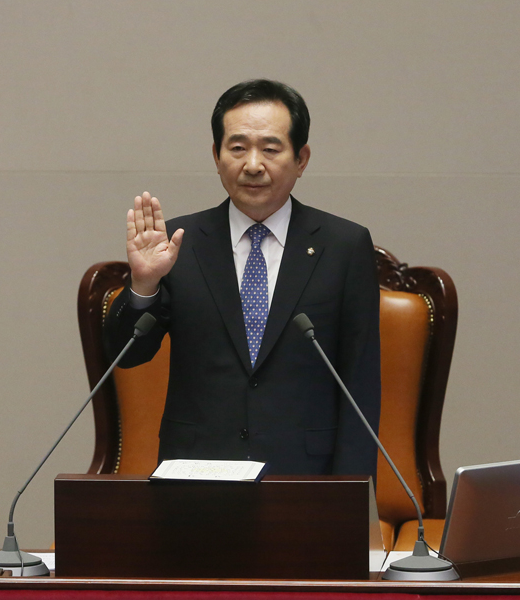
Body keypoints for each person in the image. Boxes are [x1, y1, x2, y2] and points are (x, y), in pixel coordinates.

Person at [105, 79, 380, 478]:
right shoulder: (178, 244)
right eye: (237, 148)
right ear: (216, 157)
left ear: (301, 159)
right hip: (196, 476)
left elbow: (360, 383)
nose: (253, 165)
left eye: (270, 149)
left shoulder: (343, 246)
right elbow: (125, 356)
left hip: (305, 477)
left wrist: (351, 494)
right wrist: (144, 285)